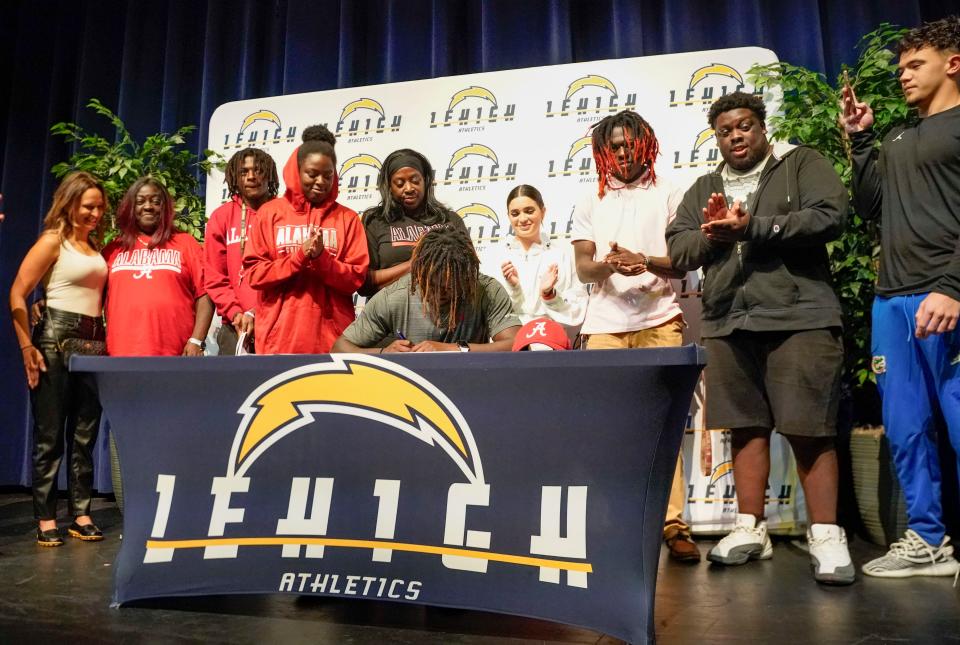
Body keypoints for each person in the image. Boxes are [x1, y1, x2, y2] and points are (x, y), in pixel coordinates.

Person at [666, 91, 852, 584]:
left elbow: (831, 214)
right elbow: (680, 248)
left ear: (761, 127)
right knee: (745, 428)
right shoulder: (704, 185)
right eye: (725, 130)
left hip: (800, 316)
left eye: (744, 126)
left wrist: (755, 227)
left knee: (809, 427)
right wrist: (714, 233)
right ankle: (750, 527)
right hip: (729, 320)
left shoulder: (799, 163)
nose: (736, 136)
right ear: (718, 137)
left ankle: (827, 534)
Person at [843, 17, 960, 579]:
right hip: (893, 299)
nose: (903, 76)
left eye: (916, 65)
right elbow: (869, 206)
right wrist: (861, 138)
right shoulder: (896, 136)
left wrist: (954, 286)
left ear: (952, 63)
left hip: (948, 296)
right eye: (901, 68)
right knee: (906, 422)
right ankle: (928, 539)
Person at [569, 109, 698, 562]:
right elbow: (584, 267)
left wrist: (643, 260)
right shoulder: (590, 200)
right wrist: (612, 263)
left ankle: (674, 523)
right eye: (615, 146)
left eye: (630, 144)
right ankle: (616, 524)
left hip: (660, 318)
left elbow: (683, 262)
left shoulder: (670, 191)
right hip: (604, 326)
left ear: (646, 143)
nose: (623, 153)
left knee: (664, 427)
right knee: (608, 429)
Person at [9, 171, 108, 545]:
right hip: (55, 338)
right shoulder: (53, 241)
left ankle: (80, 513)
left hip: (94, 342)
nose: (95, 213)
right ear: (69, 204)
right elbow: (18, 292)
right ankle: (46, 518)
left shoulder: (95, 247)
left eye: (100, 207)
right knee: (50, 434)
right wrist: (26, 348)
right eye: (88, 206)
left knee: (84, 434)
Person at [243, 125, 368, 354]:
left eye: (328, 175)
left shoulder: (348, 219)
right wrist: (299, 257)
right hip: (278, 342)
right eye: (312, 174)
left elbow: (356, 279)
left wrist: (322, 259)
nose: (321, 181)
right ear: (297, 171)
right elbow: (254, 274)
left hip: (333, 343)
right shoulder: (270, 213)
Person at [332, 227, 520, 353]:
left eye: (451, 287)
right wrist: (384, 352)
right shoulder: (394, 296)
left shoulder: (487, 290)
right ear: (419, 276)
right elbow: (340, 347)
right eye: (434, 286)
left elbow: (517, 344)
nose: (441, 293)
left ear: (467, 277)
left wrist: (451, 349)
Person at [103, 177, 213, 357]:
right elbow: (90, 295)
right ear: (131, 207)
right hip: (121, 354)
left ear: (165, 208)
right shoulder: (113, 250)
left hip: (176, 355)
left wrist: (196, 340)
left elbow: (205, 293)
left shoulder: (186, 243)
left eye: (155, 201)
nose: (148, 206)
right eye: (140, 202)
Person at [481, 184, 586, 342]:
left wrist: (550, 295)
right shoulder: (495, 256)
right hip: (509, 345)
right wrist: (513, 288)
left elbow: (578, 308)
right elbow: (488, 311)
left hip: (551, 343)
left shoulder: (561, 255)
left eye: (529, 211)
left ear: (543, 212)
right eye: (515, 213)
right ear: (508, 216)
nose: (522, 219)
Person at [359, 148, 468, 297]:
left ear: (426, 181)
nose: (409, 188)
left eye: (415, 181)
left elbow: (469, 272)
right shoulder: (375, 221)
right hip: (391, 313)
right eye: (399, 183)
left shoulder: (449, 220)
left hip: (443, 310)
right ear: (389, 187)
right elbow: (364, 283)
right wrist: (414, 265)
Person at [204, 147, 279, 355]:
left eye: (258, 170)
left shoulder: (284, 213)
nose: (252, 177)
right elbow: (214, 277)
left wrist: (257, 312)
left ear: (269, 174)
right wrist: (236, 313)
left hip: (278, 323)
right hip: (234, 326)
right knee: (232, 387)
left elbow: (291, 269)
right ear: (235, 179)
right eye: (244, 172)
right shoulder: (221, 217)